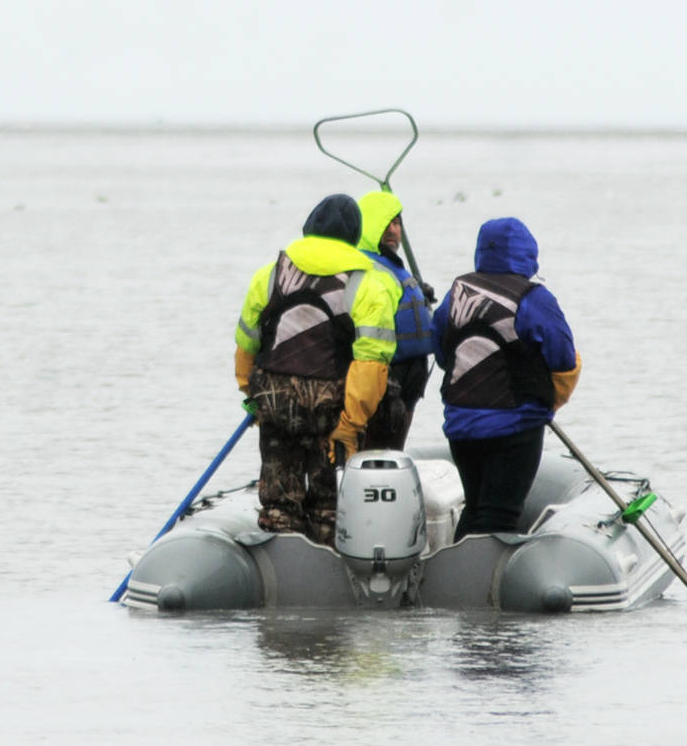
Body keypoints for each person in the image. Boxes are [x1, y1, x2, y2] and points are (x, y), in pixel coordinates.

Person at [234, 194, 401, 543]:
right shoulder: (366, 284)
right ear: (355, 235)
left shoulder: (270, 275)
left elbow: (247, 345)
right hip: (332, 407)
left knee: (279, 496)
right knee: (328, 500)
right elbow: (371, 363)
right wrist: (351, 424)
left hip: (275, 401)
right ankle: (326, 553)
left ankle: (280, 544)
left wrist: (253, 397)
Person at [432, 216, 581, 539]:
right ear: (527, 251)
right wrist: (550, 402)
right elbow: (563, 358)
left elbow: (443, 353)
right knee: (501, 514)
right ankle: (482, 587)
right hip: (514, 425)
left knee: (475, 507)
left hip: (461, 425)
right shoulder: (533, 299)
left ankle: (455, 578)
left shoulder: (456, 294)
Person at [355, 189, 436, 451]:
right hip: (383, 385)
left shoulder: (393, 267)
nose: (393, 231)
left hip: (409, 384)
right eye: (385, 224)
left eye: (397, 223)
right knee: (373, 452)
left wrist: (420, 299)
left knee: (392, 452)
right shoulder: (364, 269)